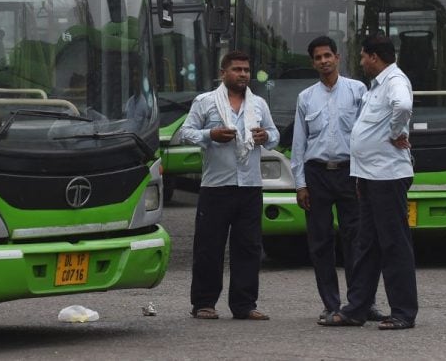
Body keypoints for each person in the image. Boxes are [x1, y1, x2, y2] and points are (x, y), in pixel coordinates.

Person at [290, 36, 386, 326]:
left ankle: (361, 303)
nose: (324, 61)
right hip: (316, 174)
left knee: (358, 241)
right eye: (318, 57)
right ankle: (331, 304)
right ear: (313, 62)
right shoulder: (306, 98)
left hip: (350, 173)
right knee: (320, 242)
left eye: (328, 55)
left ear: (338, 57)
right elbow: (299, 143)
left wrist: (364, 175)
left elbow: (366, 135)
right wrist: (300, 183)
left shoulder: (358, 91)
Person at [178, 50, 279, 321]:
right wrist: (210, 134)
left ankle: (244, 305)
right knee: (209, 247)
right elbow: (185, 133)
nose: (243, 74)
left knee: (248, 247)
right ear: (223, 73)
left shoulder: (258, 104)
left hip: (250, 186)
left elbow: (275, 135)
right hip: (216, 187)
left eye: (246, 70)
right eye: (237, 69)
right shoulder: (206, 101)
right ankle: (204, 303)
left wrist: (264, 135)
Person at [331, 34, 418, 329]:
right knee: (366, 244)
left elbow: (403, 106)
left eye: (363, 57)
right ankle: (357, 308)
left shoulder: (395, 81)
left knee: (394, 244)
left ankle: (403, 313)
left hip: (387, 177)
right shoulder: (376, 85)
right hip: (369, 176)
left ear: (374, 57)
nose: (361, 62)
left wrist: (396, 133)